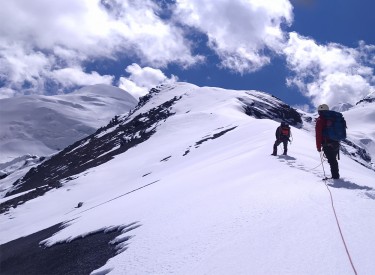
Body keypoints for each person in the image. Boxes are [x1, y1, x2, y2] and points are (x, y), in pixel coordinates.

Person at [315, 104, 340, 179]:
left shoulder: (320, 120)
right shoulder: (333, 118)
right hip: (336, 143)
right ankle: (336, 175)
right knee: (333, 160)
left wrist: (318, 147)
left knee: (332, 161)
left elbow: (318, 135)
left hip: (327, 144)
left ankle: (335, 177)